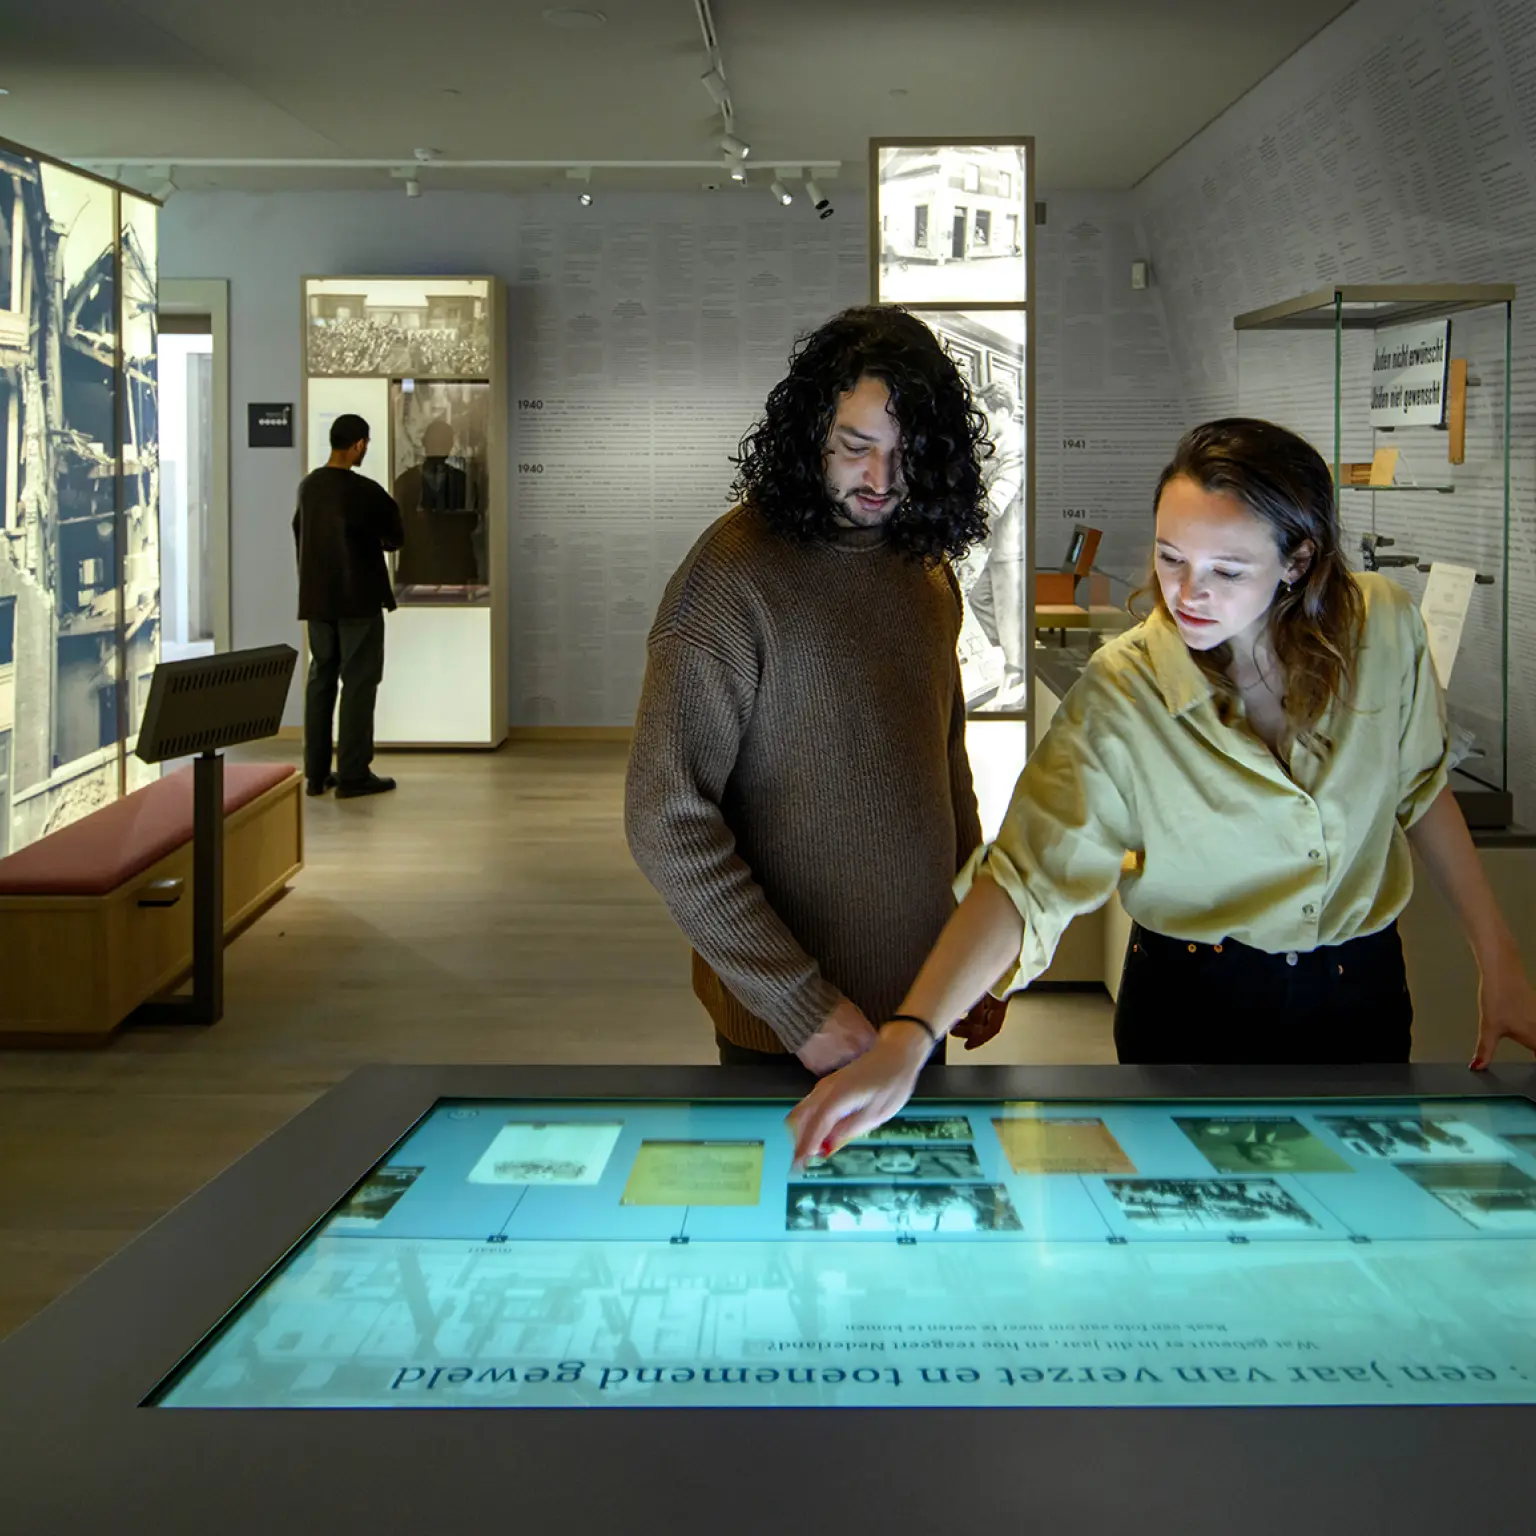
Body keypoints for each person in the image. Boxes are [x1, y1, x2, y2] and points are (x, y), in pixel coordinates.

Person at [789, 416, 1536, 1158]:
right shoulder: (1125, 688)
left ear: (1298, 560)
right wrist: (911, 1037)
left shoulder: (1385, 628)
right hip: (1196, 1007)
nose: (1187, 593)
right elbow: (1026, 879)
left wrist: (1498, 959)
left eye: (1226, 571)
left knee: (1357, 1213)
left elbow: (1420, 789)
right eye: (1171, 557)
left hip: (1359, 993)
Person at [625, 305, 1006, 1077]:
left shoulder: (925, 569)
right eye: (856, 448)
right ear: (810, 435)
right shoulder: (730, 579)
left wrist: (972, 952)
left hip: (921, 1010)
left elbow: (946, 770)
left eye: (905, 454)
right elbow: (664, 815)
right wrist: (800, 1006)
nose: (881, 480)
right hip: (788, 1034)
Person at [294, 412, 404, 799]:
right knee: (358, 683)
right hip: (358, 599)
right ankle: (354, 774)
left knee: (320, 680)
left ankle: (315, 774)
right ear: (358, 444)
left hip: (317, 600)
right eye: (365, 444)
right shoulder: (365, 491)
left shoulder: (308, 488)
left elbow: (299, 534)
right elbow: (395, 536)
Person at [964, 380, 1027, 704]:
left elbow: (996, 501)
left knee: (1007, 611)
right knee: (979, 600)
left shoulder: (1015, 448)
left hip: (1011, 548)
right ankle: (1011, 656)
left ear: (1002, 411)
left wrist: (963, 522)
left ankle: (1017, 672)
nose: (981, 421)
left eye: (986, 414)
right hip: (998, 547)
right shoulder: (995, 444)